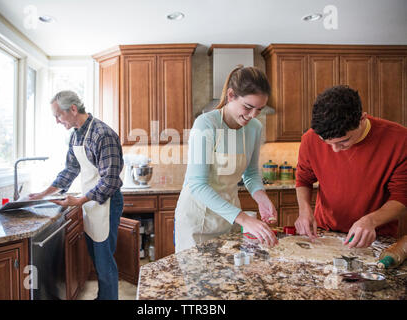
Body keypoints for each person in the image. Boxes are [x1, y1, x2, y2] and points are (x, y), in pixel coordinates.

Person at [28, 90, 124, 300]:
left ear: (73, 109)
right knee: (97, 260)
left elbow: (110, 181)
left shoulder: (102, 134)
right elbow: (70, 170)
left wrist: (79, 200)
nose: (56, 121)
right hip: (91, 204)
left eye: (58, 115)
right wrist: (42, 193)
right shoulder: (76, 134)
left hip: (106, 203)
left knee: (104, 261)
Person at [174, 66, 278, 253]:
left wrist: (261, 197)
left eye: (259, 109)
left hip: (228, 218)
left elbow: (251, 173)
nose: (253, 115)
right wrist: (244, 219)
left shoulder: (254, 127)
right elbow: (197, 184)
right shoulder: (206, 123)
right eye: (248, 107)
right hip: (197, 220)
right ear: (231, 95)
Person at [295, 85, 407, 248]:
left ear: (362, 119)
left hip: (374, 237)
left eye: (343, 141)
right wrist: (304, 210)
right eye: (326, 142)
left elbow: (401, 198)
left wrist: (371, 220)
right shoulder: (309, 139)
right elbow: (304, 180)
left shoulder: (399, 140)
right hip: (325, 232)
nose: (335, 149)